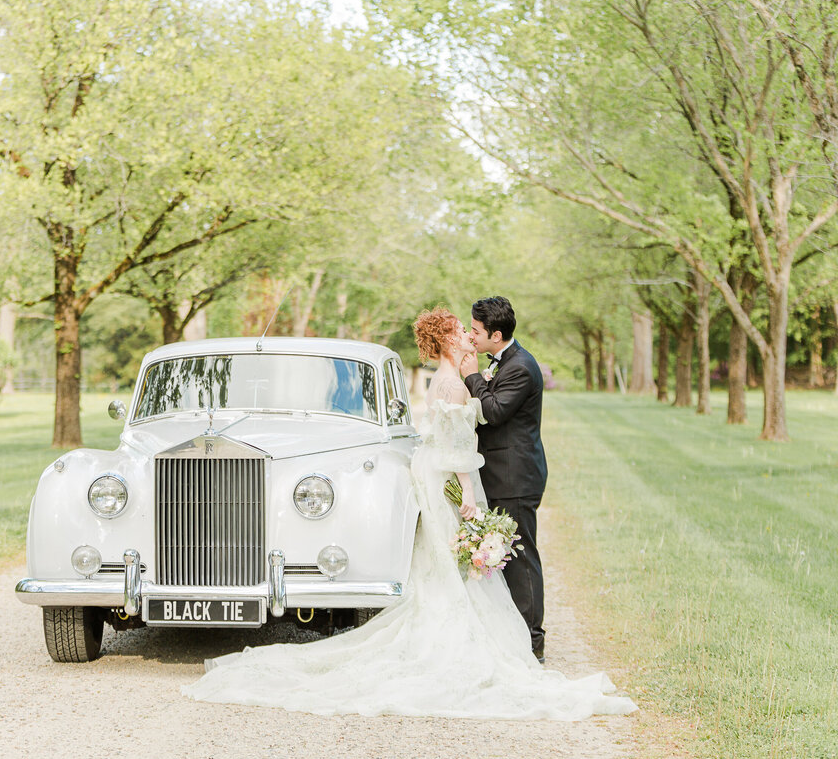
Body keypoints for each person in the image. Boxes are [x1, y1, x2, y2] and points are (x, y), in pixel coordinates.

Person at [181, 307, 636, 720]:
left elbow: (463, 427)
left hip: (440, 476)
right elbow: (459, 447)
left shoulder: (451, 380)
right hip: (450, 480)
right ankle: (501, 642)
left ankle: (523, 633)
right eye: (462, 331)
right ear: (447, 342)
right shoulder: (455, 383)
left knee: (442, 565)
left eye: (472, 330)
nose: (468, 335)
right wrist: (469, 499)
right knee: (453, 567)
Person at [459, 296, 547, 662]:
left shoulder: (521, 367)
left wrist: (470, 376)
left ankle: (532, 642)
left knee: (521, 556)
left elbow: (493, 411)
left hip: (516, 476)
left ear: (496, 335)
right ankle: (509, 634)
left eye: (476, 331)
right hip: (497, 473)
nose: (471, 336)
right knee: (501, 556)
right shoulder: (503, 361)